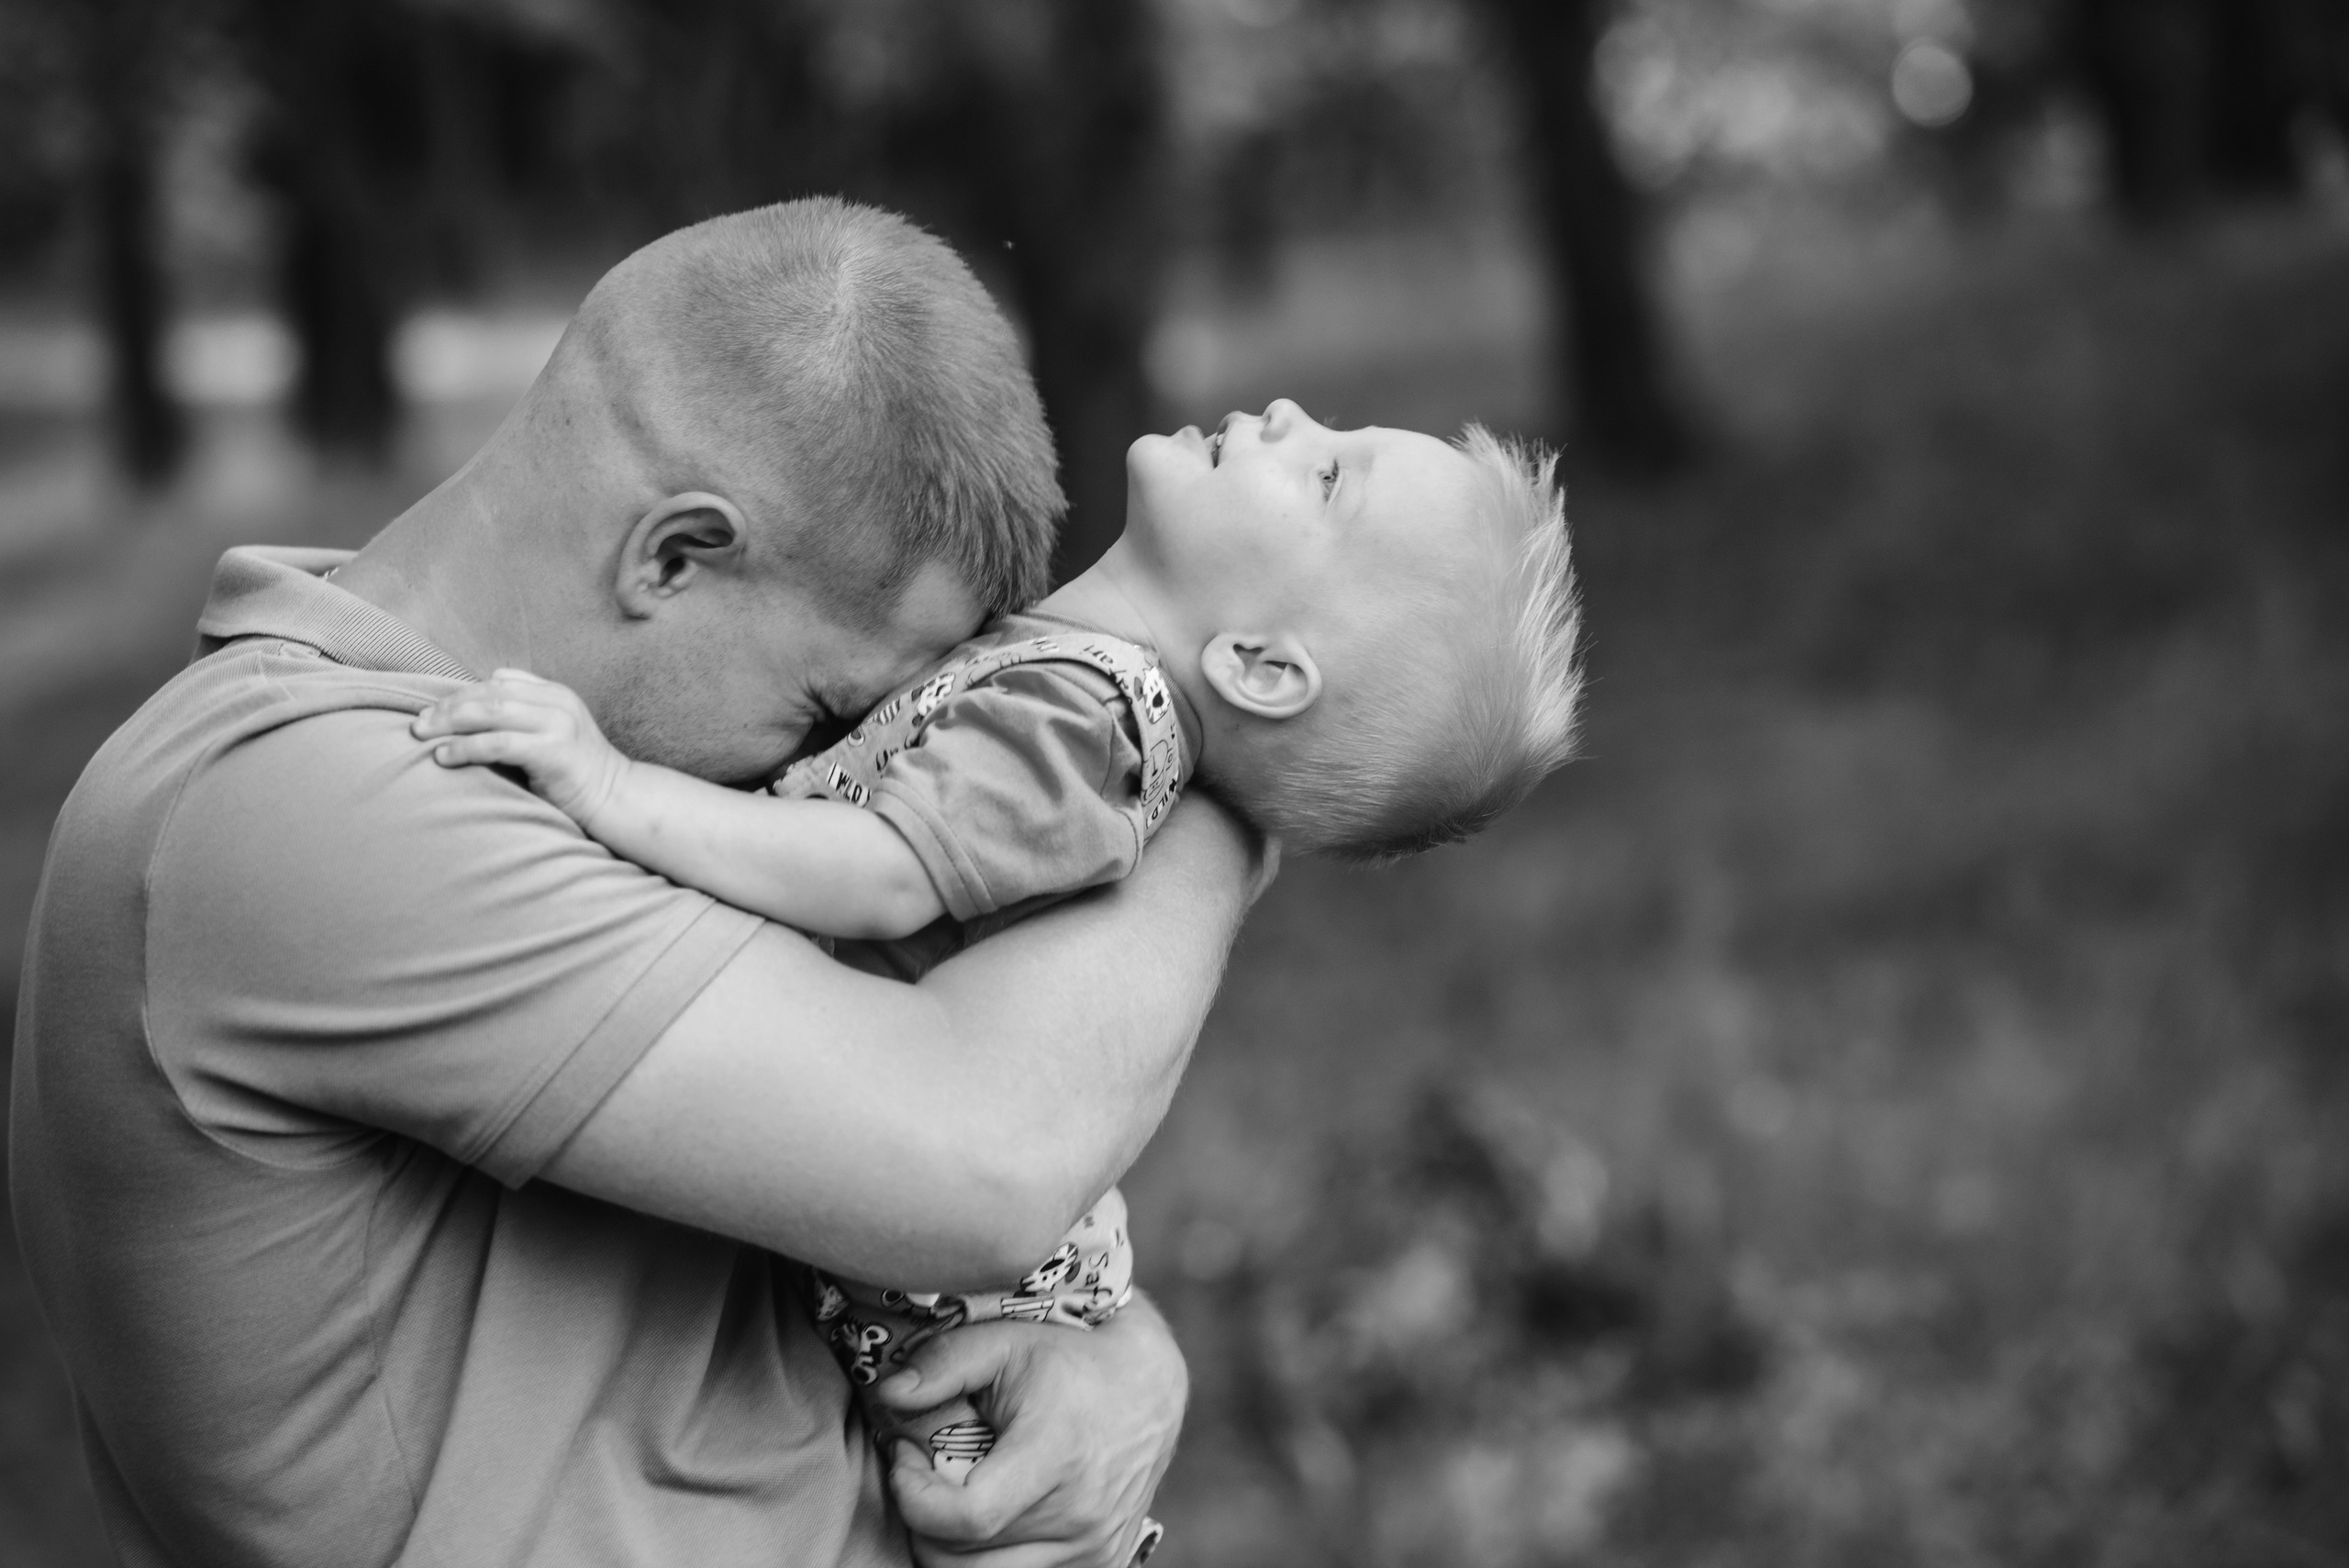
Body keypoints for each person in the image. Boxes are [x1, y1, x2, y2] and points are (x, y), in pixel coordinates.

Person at [8, 197, 1265, 1568]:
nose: (848, 766)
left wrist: (1111, 1352)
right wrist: (1233, 758)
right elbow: (989, 1155)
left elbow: (916, 1195)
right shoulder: (293, 808)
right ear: (675, 553)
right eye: (829, 703)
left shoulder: (546, 771)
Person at [410, 398, 1584, 1485]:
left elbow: (873, 871)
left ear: (1262, 668)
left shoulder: (1079, 721)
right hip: (921, 1259)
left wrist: (611, 788)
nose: (1288, 415)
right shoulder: (1062, 679)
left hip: (950, 1317)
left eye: (1326, 475)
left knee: (961, 1509)